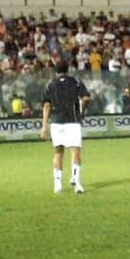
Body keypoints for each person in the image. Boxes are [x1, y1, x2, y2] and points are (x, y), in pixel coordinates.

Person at [40, 58, 90, 194]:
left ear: (55, 71)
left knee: (58, 152)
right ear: (68, 70)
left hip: (56, 122)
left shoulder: (50, 84)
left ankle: (57, 184)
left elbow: (46, 105)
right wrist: (82, 111)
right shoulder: (76, 82)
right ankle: (76, 182)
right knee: (75, 151)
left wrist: (44, 126)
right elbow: (86, 98)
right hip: (72, 121)